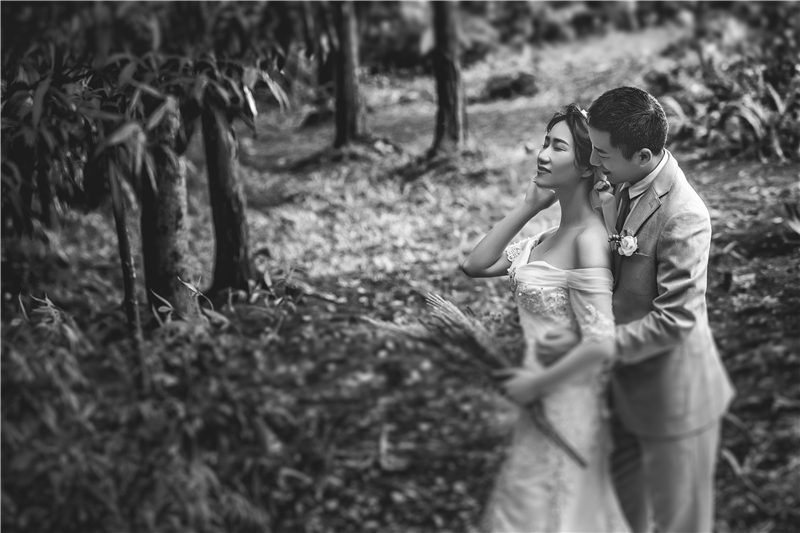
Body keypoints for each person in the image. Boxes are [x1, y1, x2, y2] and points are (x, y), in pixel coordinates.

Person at [538, 86, 736, 533]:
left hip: (674, 401)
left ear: (643, 155)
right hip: (621, 391)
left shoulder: (685, 216)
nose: (593, 160)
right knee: (625, 518)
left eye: (603, 153)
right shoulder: (617, 183)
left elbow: (676, 320)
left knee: (680, 523)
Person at [462, 103, 630, 532]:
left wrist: (536, 384)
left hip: (567, 399)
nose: (542, 155)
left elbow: (601, 344)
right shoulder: (545, 239)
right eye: (544, 143)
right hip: (539, 397)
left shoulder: (588, 241)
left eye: (558, 147)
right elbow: (475, 265)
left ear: (587, 165)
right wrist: (527, 208)